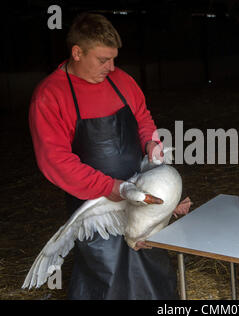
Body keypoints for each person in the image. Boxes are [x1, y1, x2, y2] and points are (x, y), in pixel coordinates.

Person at [29, 13, 190, 299]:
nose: (111, 67)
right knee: (106, 277)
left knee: (152, 264)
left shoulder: (122, 80)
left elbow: (142, 118)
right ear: (77, 53)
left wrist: (151, 144)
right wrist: (112, 188)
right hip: (95, 202)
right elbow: (56, 162)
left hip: (141, 190)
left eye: (114, 59)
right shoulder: (50, 95)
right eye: (103, 60)